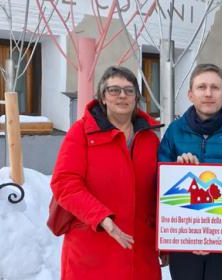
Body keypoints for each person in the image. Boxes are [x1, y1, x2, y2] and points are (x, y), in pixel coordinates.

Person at [50, 66, 164, 279]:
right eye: (114, 90)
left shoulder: (150, 138)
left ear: (136, 98)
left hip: (140, 250)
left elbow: (159, 191)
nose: (122, 96)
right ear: (103, 97)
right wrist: (101, 217)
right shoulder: (81, 132)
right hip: (92, 245)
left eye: (129, 91)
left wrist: (166, 240)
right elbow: (64, 182)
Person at [158, 63, 222, 280]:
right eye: (201, 87)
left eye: (215, 87)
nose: (208, 93)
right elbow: (160, 182)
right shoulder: (174, 133)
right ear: (190, 94)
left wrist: (211, 233)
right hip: (184, 241)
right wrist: (177, 171)